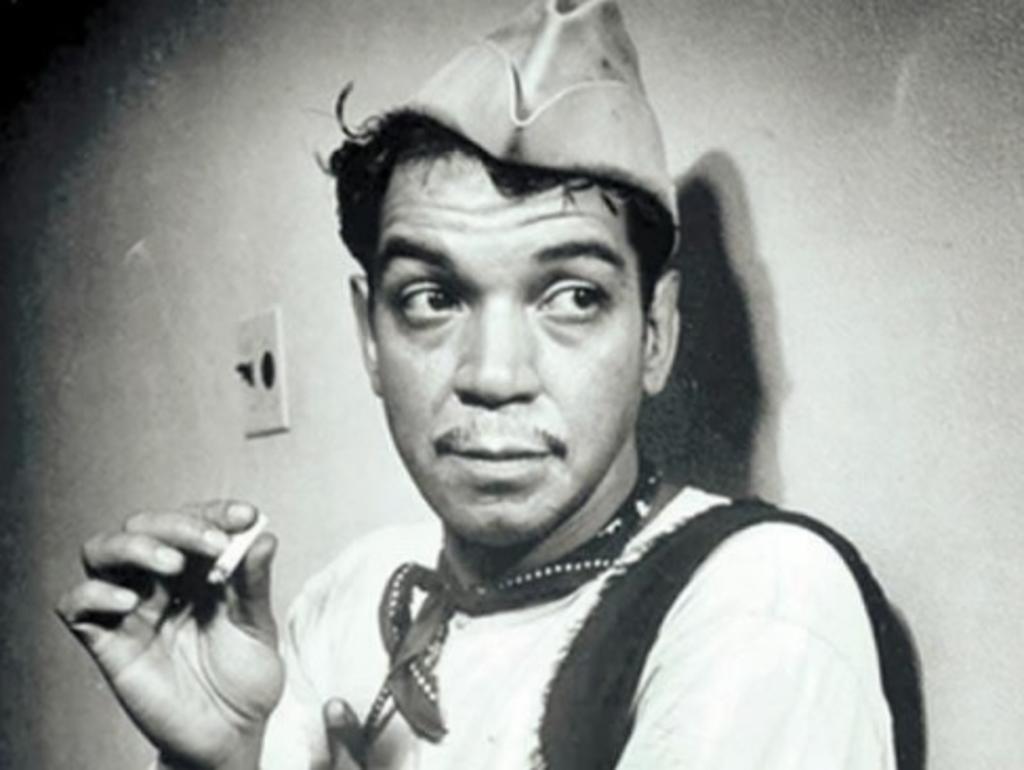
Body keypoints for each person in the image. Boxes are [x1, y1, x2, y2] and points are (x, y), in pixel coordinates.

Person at [55, 2, 921, 769]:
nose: (493, 376)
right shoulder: (353, 595)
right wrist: (218, 760)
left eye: (573, 297)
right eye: (432, 298)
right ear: (370, 336)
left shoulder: (760, 603)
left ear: (655, 334)